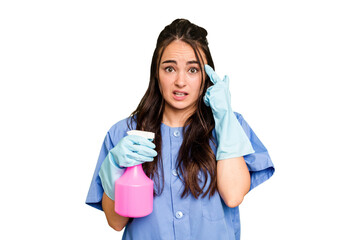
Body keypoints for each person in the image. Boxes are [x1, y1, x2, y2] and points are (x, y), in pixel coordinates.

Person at [85, 18, 275, 240]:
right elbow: (116, 222)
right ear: (157, 73)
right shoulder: (123, 134)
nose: (181, 81)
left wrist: (224, 117)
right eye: (170, 69)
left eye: (193, 70)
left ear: (206, 75)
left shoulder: (230, 125)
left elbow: (233, 196)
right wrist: (115, 167)